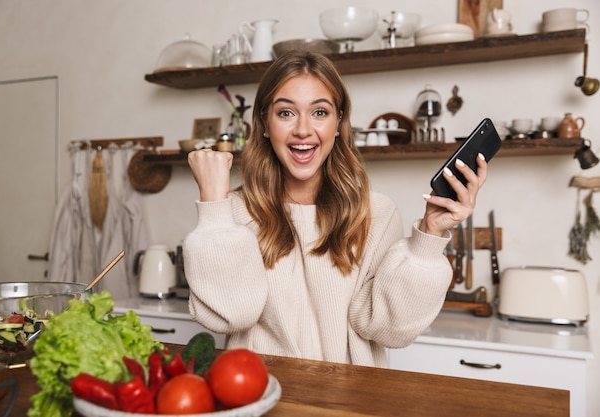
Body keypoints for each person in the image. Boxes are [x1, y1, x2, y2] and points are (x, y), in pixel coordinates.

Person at [183, 51, 487, 367]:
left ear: (339, 122)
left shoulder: (376, 213)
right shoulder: (230, 211)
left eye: (320, 112)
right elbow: (231, 315)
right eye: (286, 113)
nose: (303, 130)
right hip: (257, 396)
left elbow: (388, 330)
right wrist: (214, 203)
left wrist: (429, 237)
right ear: (263, 123)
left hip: (351, 403)